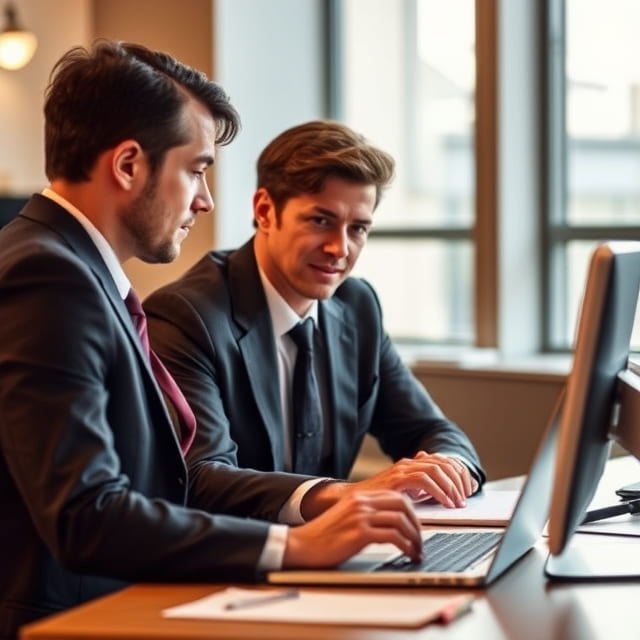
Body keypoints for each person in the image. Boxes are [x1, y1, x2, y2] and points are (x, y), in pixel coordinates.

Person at [0, 42, 424, 639]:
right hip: (74, 621)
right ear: (128, 165)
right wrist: (295, 546)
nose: (205, 199)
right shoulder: (49, 276)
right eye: (196, 168)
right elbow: (86, 514)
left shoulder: (72, 269)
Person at [144, 120, 486, 506]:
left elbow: (429, 428)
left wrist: (448, 465)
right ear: (265, 210)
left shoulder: (357, 307)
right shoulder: (187, 317)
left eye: (358, 228)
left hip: (337, 553)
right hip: (239, 557)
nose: (339, 249)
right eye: (320, 221)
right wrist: (350, 494)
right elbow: (202, 477)